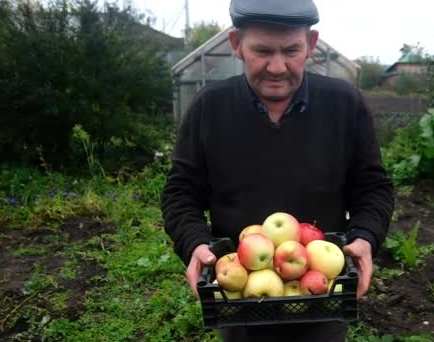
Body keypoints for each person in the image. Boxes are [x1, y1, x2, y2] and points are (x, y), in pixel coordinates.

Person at [160, 0, 394, 340]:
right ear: (237, 45)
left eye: (291, 50)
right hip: (240, 297)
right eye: (262, 51)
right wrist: (194, 243)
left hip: (322, 295)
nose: (277, 66)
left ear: (311, 45)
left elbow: (373, 186)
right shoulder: (210, 107)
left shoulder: (344, 104)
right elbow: (180, 192)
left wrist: (365, 236)